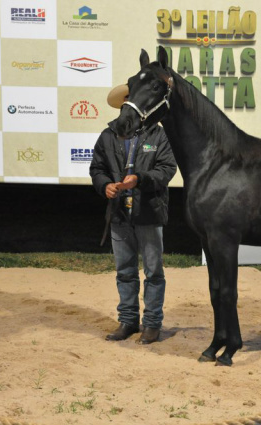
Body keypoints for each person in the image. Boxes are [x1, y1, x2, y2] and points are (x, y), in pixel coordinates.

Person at [90, 83, 177, 344]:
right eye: (129, 100)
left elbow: (166, 170)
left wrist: (139, 179)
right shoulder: (108, 135)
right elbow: (97, 168)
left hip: (149, 212)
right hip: (119, 214)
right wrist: (104, 185)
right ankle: (128, 321)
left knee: (153, 271)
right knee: (125, 271)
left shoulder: (158, 135)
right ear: (123, 104)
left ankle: (151, 324)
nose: (133, 105)